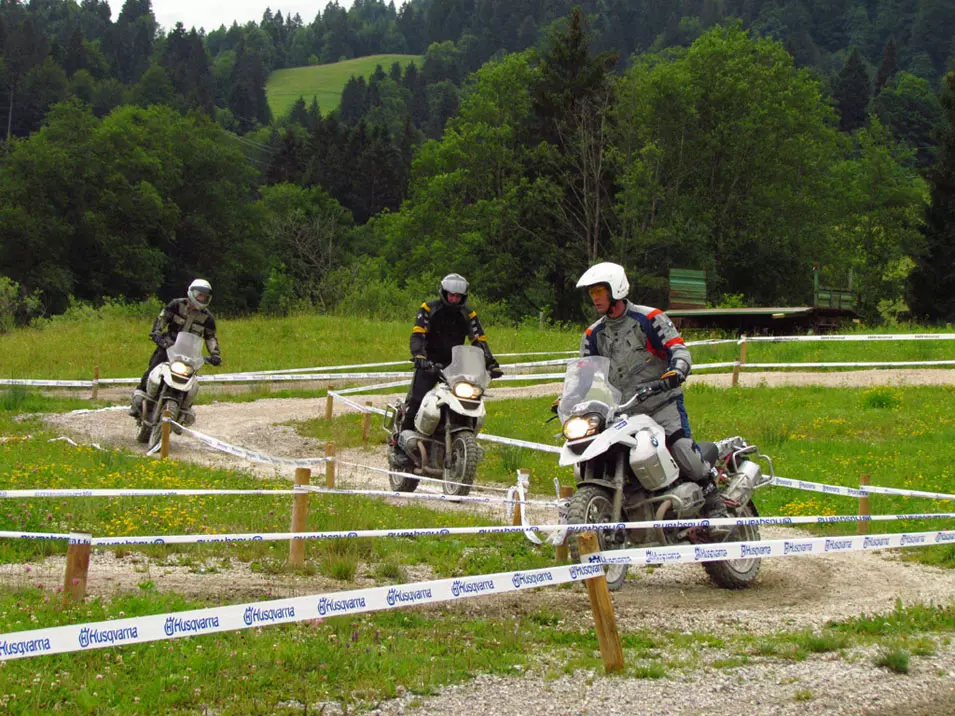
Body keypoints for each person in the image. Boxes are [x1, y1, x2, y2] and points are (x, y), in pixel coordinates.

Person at [575, 262, 727, 519]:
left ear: (616, 289)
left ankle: (716, 506)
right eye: (592, 292)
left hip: (660, 405)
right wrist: (568, 398)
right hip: (622, 414)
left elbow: (677, 348)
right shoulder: (593, 334)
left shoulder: (649, 318)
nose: (596, 297)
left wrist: (677, 369)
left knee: (682, 451)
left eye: (600, 290)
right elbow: (584, 376)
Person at [401, 273, 504, 431]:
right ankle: (402, 439)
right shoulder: (429, 308)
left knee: (466, 401)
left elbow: (478, 340)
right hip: (429, 362)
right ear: (444, 293)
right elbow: (418, 335)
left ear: (463, 297)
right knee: (417, 400)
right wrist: (419, 356)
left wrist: (491, 363)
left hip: (455, 365)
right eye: (451, 295)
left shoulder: (469, 314)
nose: (454, 299)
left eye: (458, 296)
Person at [129, 279, 222, 416]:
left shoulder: (207, 318)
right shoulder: (176, 304)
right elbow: (162, 318)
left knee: (191, 380)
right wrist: (156, 333)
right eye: (199, 295)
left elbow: (210, 337)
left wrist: (215, 355)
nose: (201, 298)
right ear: (192, 292)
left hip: (190, 353)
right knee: (153, 367)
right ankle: (139, 398)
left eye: (205, 297)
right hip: (168, 345)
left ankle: (184, 408)